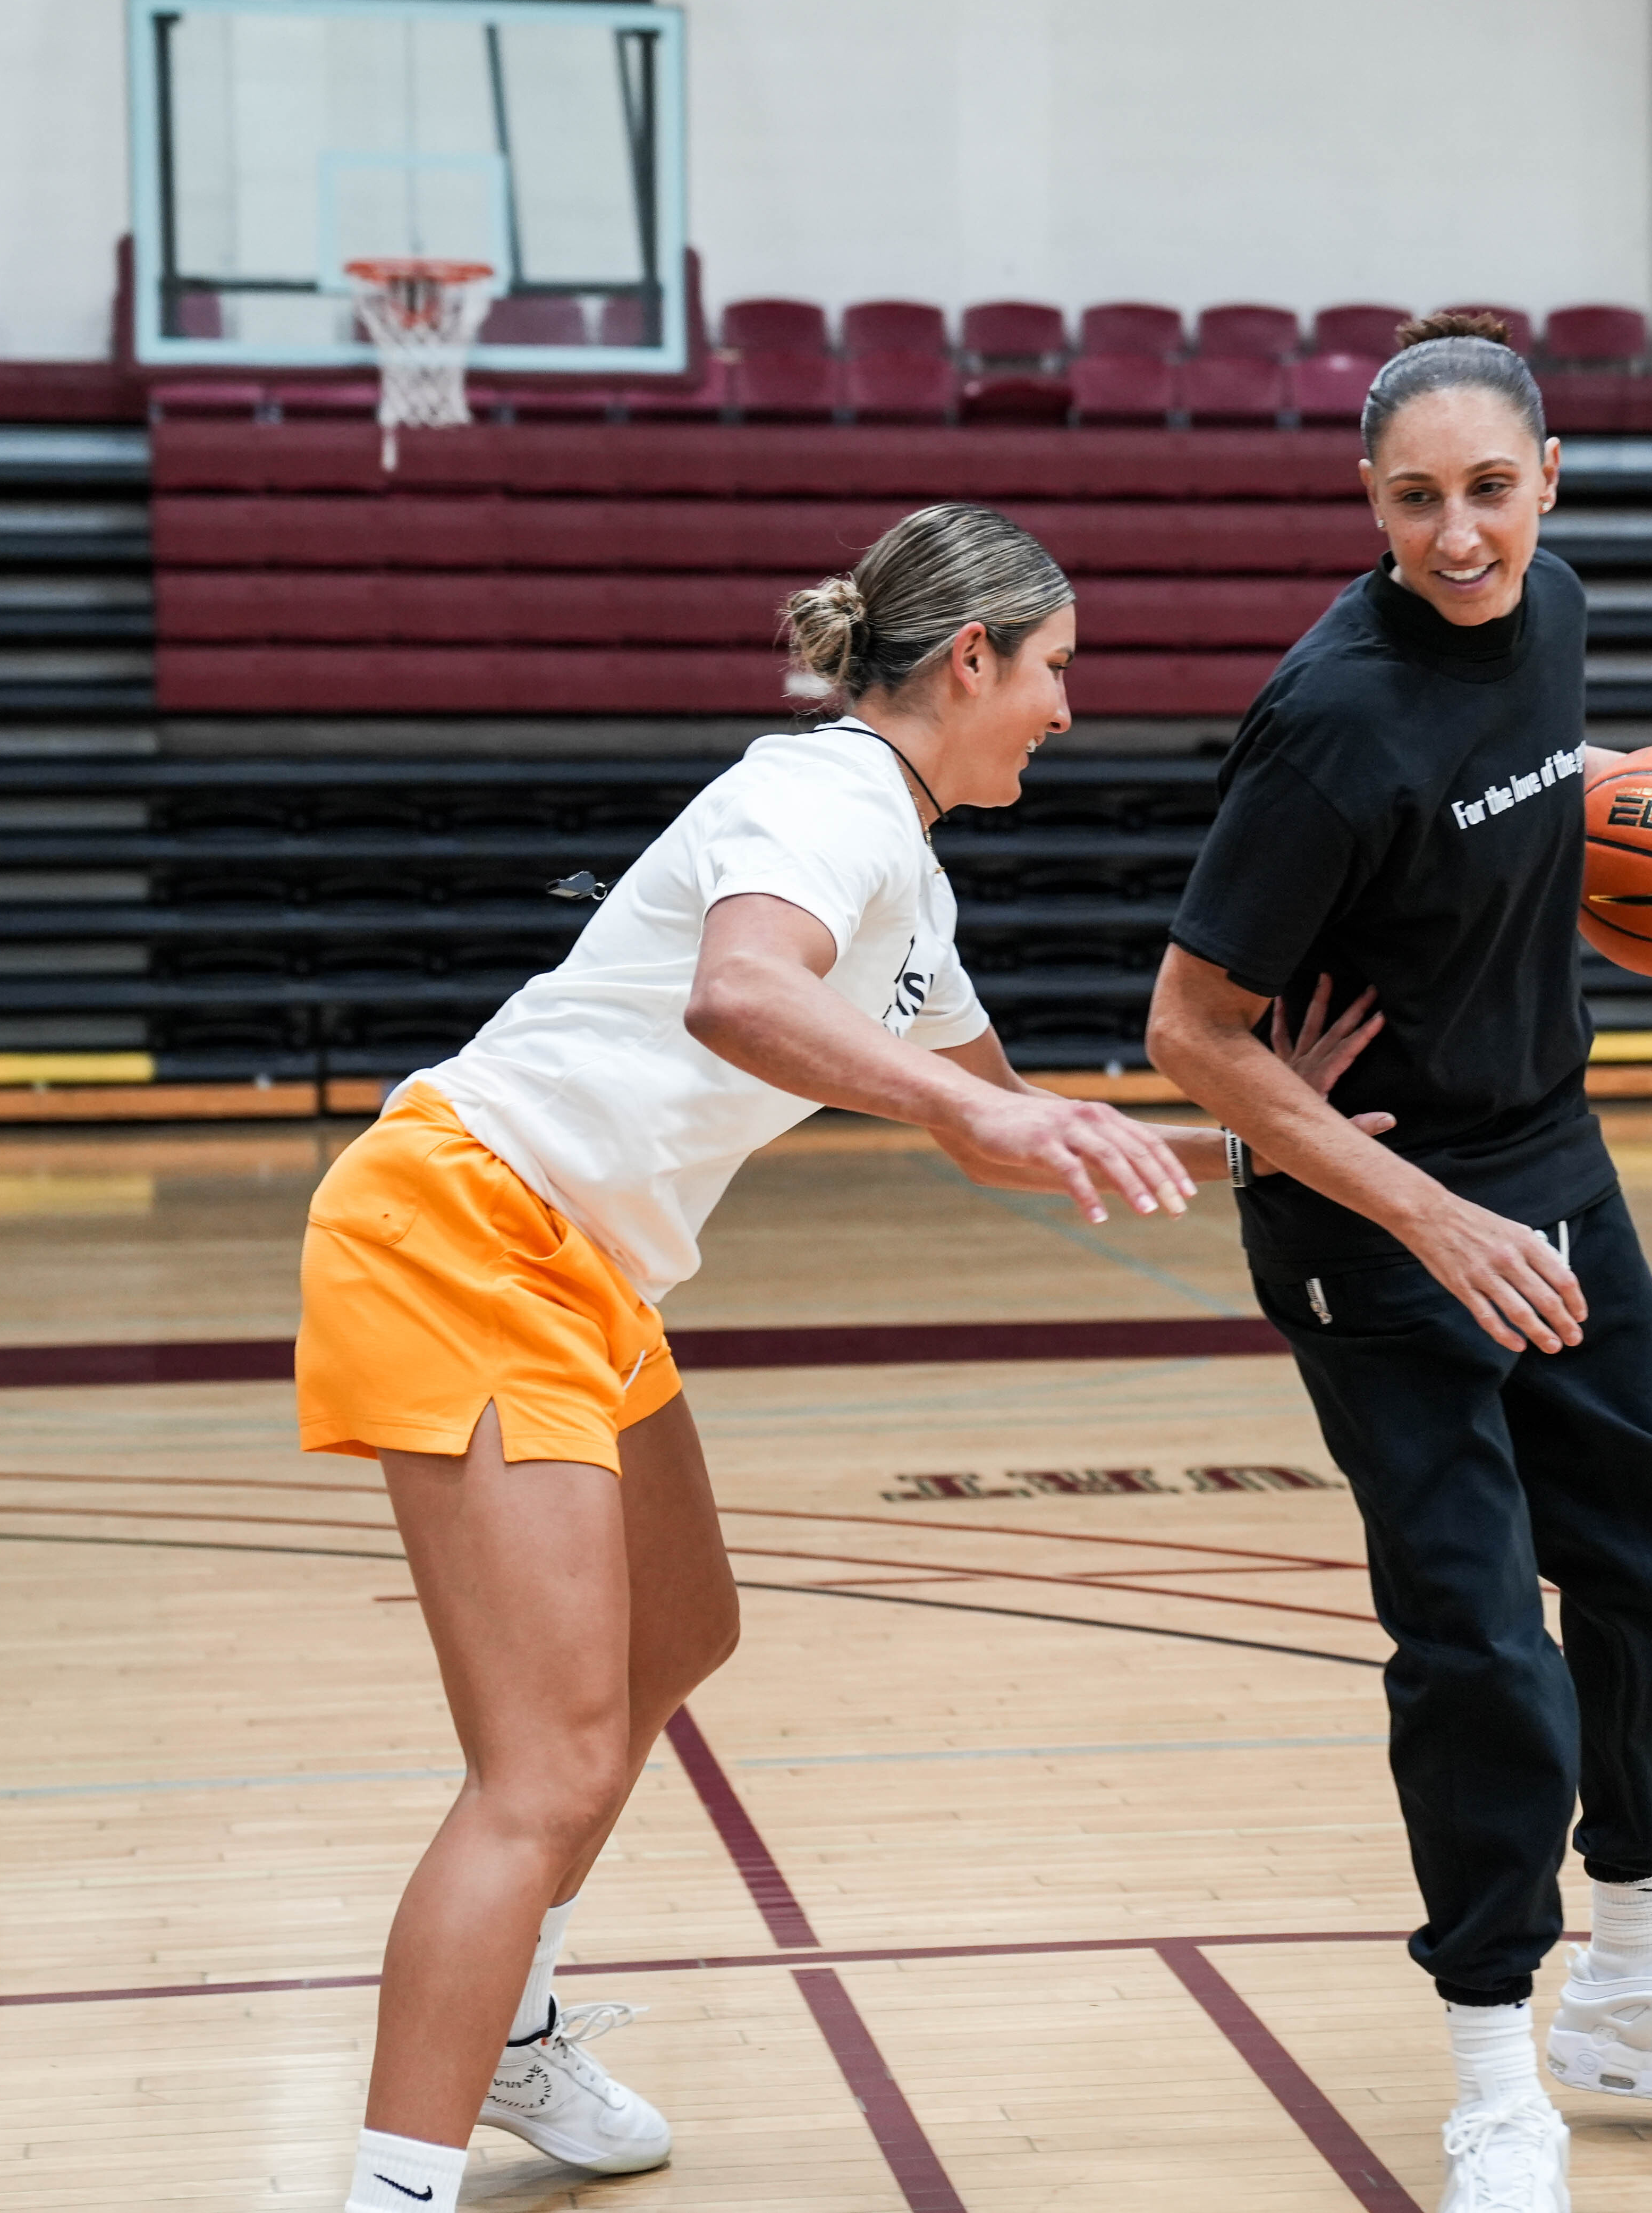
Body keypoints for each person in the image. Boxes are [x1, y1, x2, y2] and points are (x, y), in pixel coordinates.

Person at [296, 503, 1388, 2212]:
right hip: (465, 1224)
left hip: (575, 1260)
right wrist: (970, 1106)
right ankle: (395, 2188)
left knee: (681, 1631)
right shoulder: (820, 797)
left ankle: (507, 2027)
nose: (1066, 709)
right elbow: (741, 995)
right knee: (548, 1765)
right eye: (1054, 671)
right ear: (972, 659)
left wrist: (1264, 1132)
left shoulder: (905, 872)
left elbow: (1001, 1123)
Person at [1147, 318, 1652, 2213]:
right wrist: (1426, 1214)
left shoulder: (1551, 609)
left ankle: (1642, 1971)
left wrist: (1646, 788)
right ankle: (1494, 2073)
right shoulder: (1331, 721)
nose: (1458, 534)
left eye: (1488, 489)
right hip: (1379, 1215)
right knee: (1477, 1640)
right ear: (1366, 500)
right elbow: (1187, 1029)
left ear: (1550, 478)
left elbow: (1519, 766)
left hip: (1554, 1159)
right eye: (1416, 499)